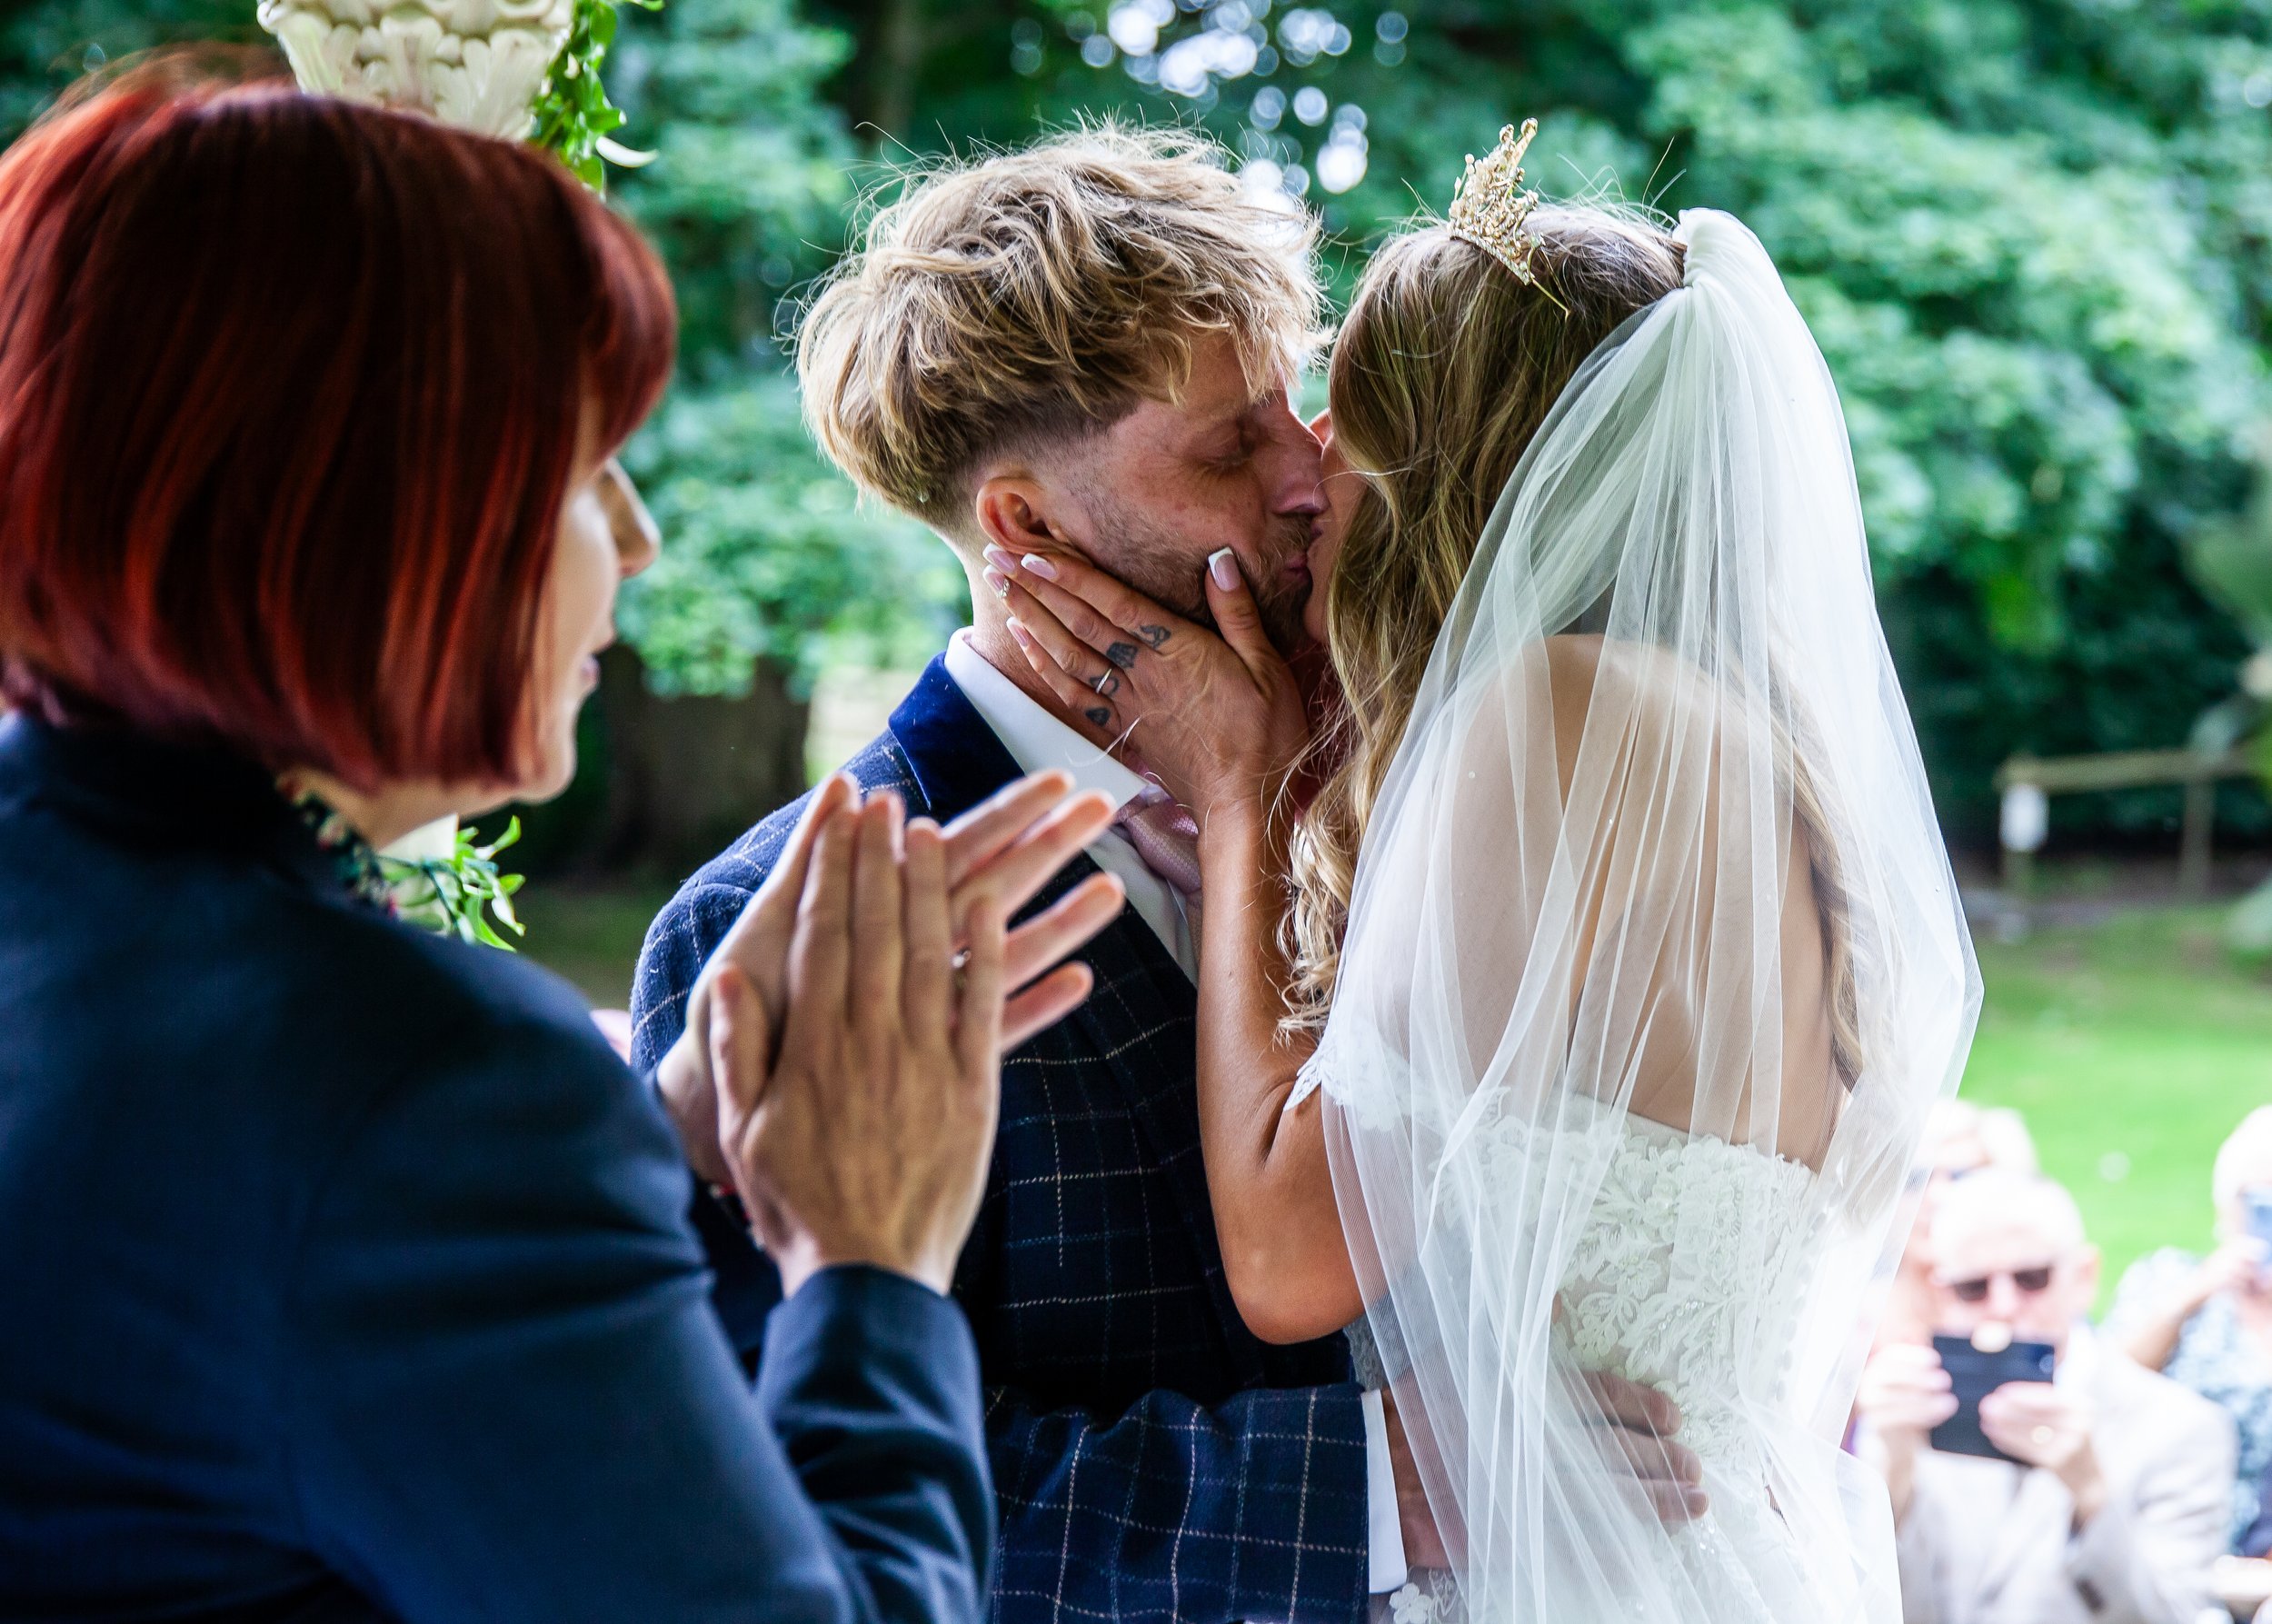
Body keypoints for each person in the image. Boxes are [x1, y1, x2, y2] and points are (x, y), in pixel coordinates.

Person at [0, 66, 1127, 1617]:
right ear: (387, 512)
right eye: (590, 466)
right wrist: (872, 1262)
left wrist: (676, 1147)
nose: (645, 537)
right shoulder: (417, 1088)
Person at [632, 127, 1706, 1624]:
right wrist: (1378, 1482)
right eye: (1225, 447)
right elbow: (788, 1489)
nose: (1309, 473)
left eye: (1292, 406)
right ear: (1022, 525)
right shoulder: (788, 926)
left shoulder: (1428, 788)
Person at [990, 125, 1980, 1618]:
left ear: (1455, 456)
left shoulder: (1552, 718)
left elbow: (1285, 1254)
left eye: (1352, 411)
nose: (1314, 463)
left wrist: (1241, 785)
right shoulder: (1739, 736)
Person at [1854, 1171, 2234, 1623]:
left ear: (2084, 1277)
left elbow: (2174, 1617)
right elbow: (1860, 1602)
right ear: (1943, 1295)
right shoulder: (1915, 1410)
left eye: (2032, 1278)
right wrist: (1894, 1469)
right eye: (1972, 1287)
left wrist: (2090, 1493)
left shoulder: (2181, 1426)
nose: (2003, 1305)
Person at [2108, 1105, 2272, 1555]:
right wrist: (2190, 1298)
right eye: (2260, 1203)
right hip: (2178, 1525)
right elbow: (2106, 1388)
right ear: (2228, 1206)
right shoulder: (2171, 1277)